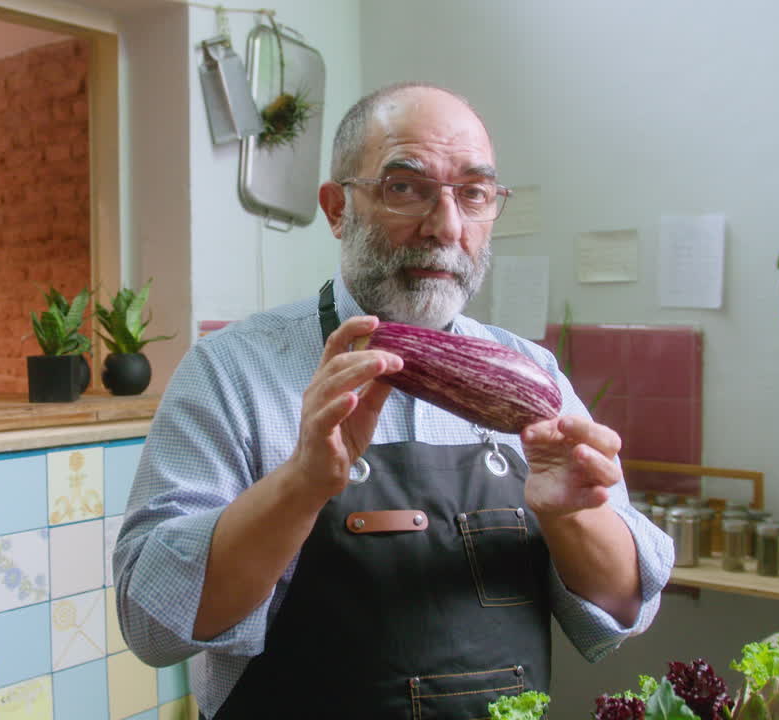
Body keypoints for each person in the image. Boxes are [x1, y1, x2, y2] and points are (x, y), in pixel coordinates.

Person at [112, 81, 674, 719]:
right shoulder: (233, 372)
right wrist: (300, 484)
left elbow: (625, 610)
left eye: (474, 193)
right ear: (335, 209)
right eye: (405, 187)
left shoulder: (532, 373)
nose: (446, 226)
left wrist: (573, 517)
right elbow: (151, 624)